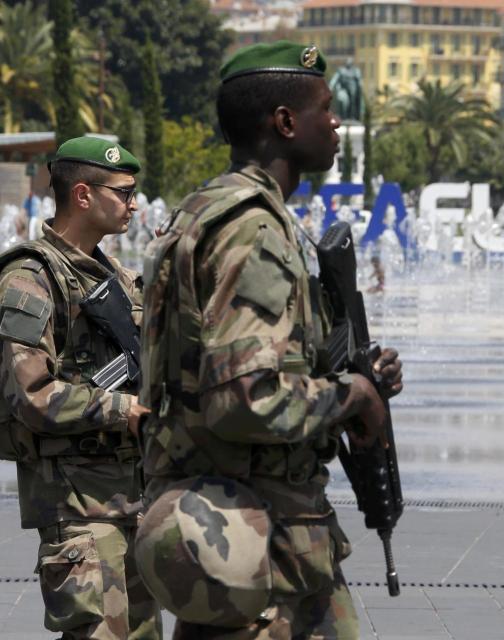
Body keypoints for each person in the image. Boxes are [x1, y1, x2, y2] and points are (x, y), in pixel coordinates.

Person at [133, 41, 403, 638]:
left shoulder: (205, 210)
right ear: (284, 122)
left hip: (232, 530)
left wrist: (350, 374)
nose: (336, 123)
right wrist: (352, 396)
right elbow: (245, 397)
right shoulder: (254, 229)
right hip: (260, 539)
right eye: (325, 109)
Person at [0, 137, 160, 639]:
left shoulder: (117, 278)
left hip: (133, 501)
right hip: (78, 513)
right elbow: (31, 395)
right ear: (84, 195)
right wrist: (122, 409)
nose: (135, 203)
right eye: (125, 192)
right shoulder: (30, 277)